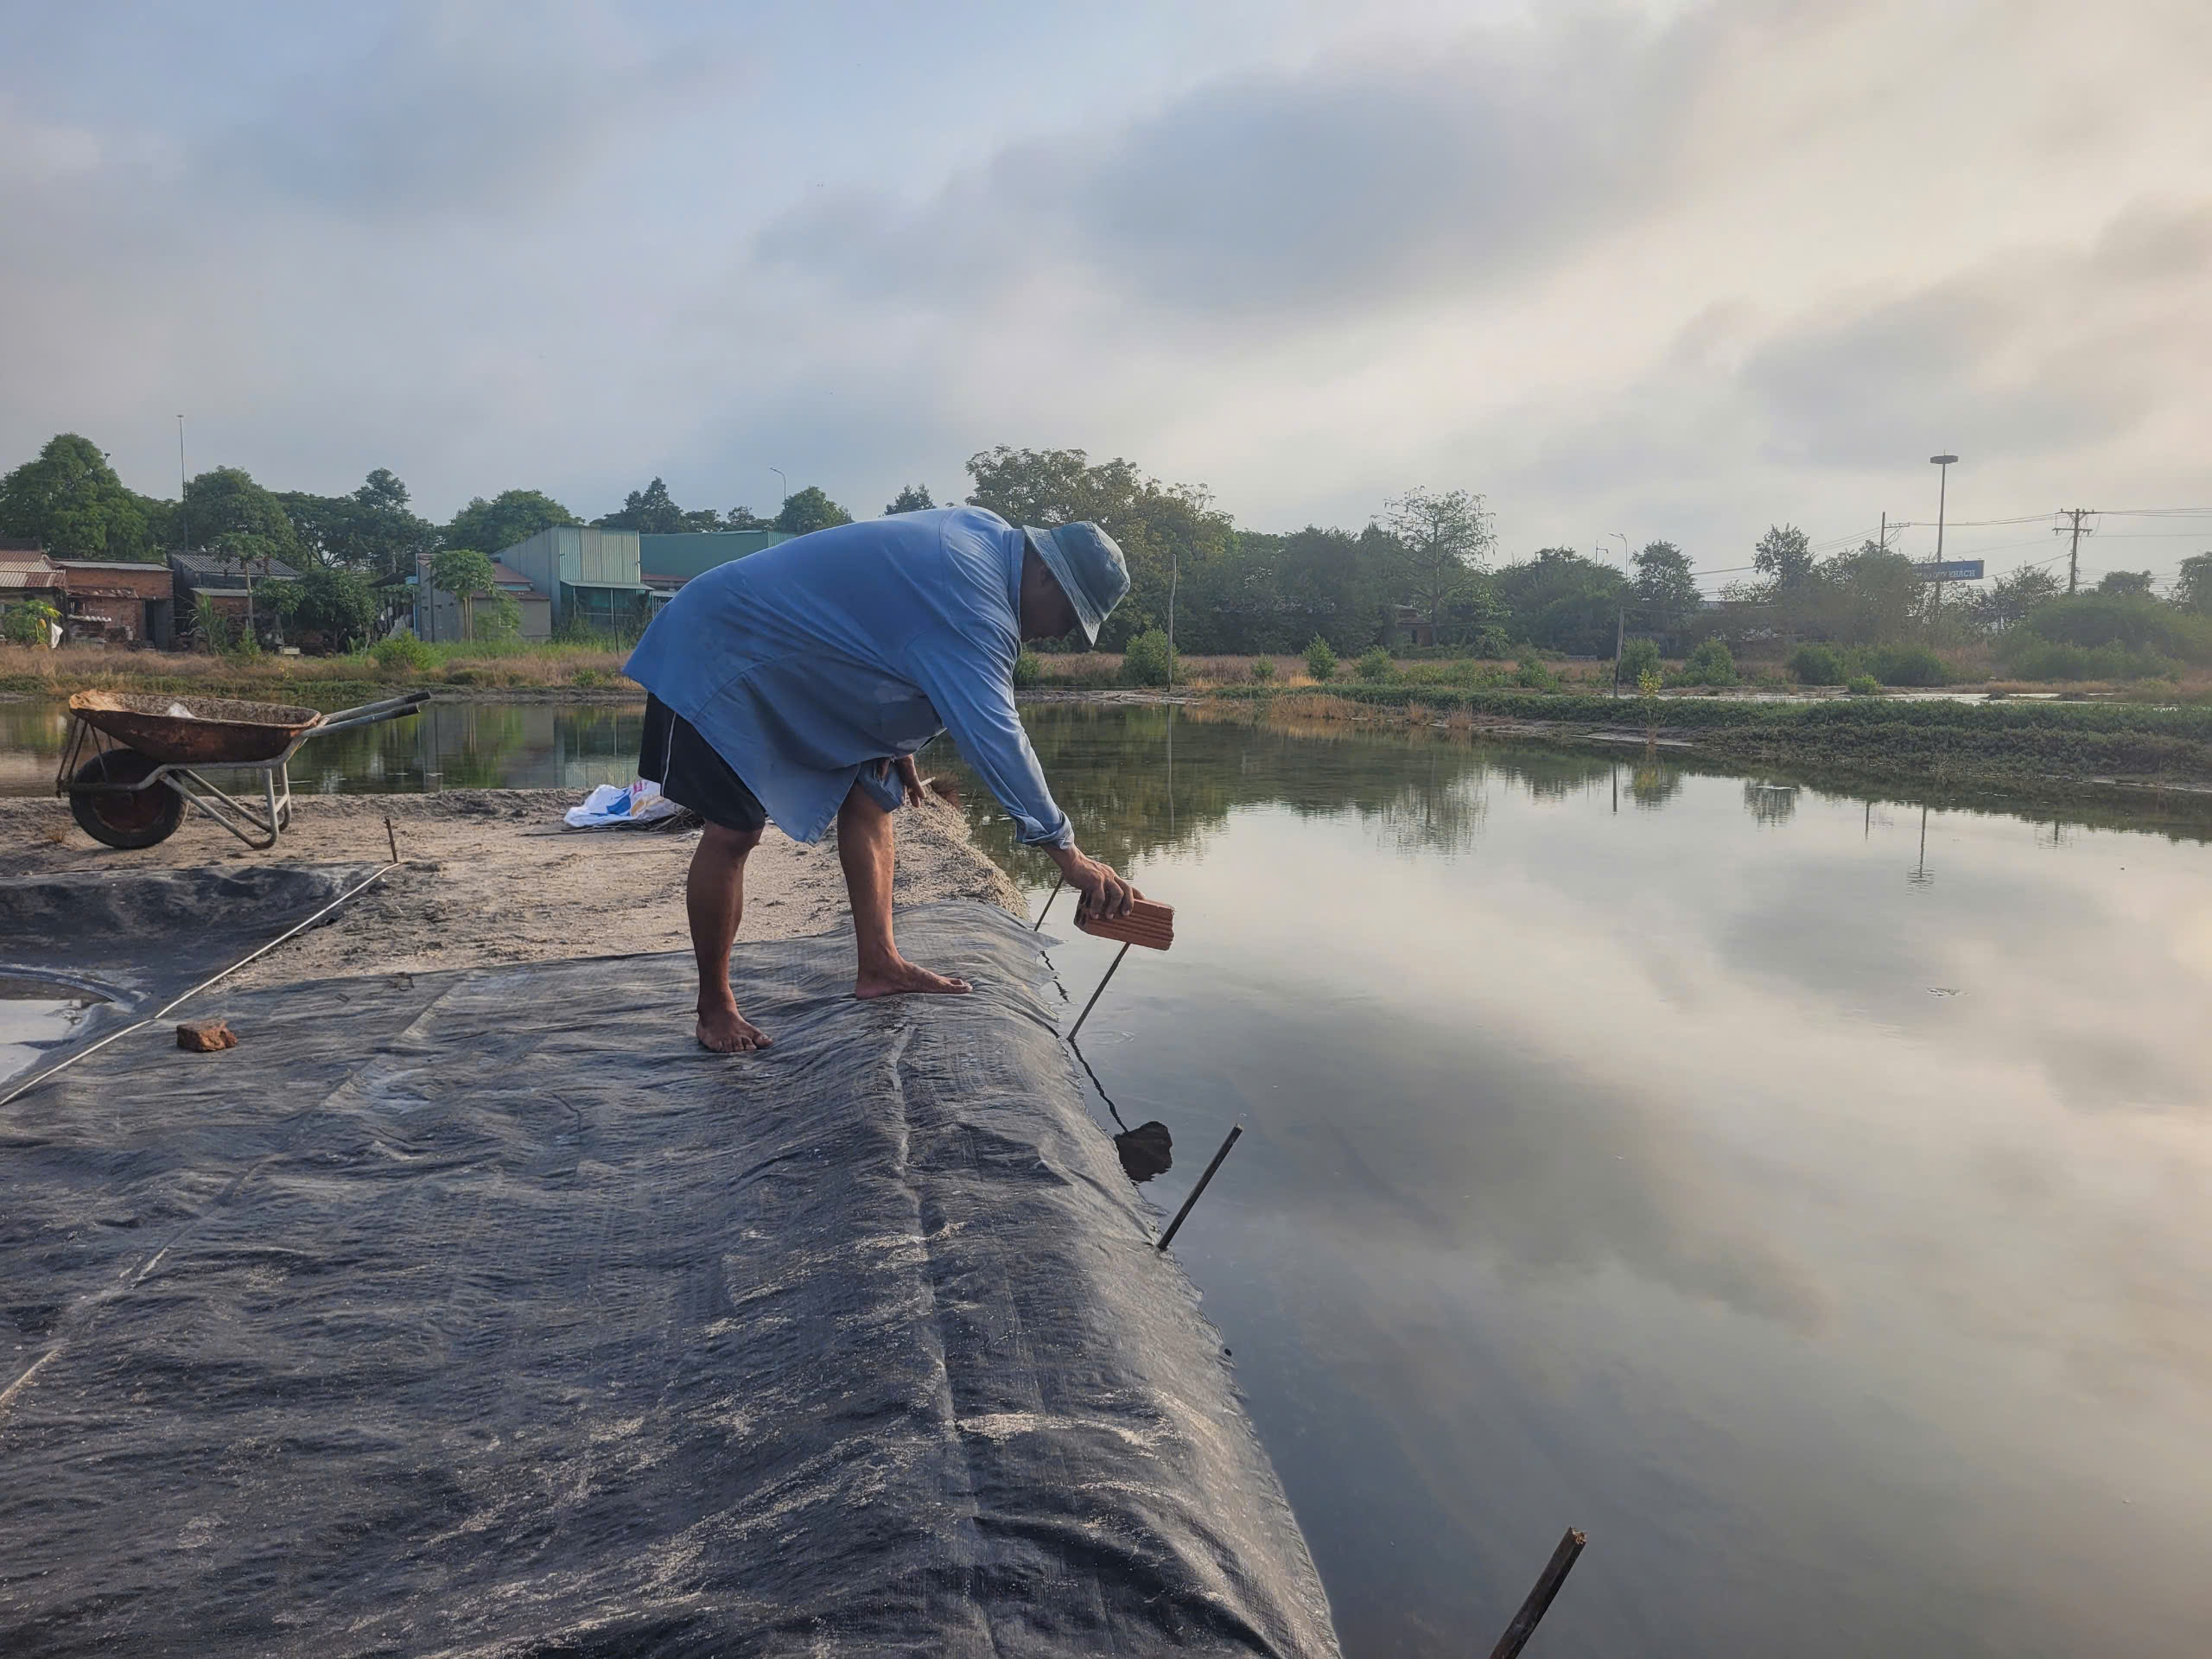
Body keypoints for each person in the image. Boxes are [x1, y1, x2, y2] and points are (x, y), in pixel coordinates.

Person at [624, 504, 1141, 1052]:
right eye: (1065, 616)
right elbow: (996, 739)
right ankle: (715, 1009)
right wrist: (1070, 855)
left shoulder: (984, 532)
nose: (1056, 634)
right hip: (717, 648)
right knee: (734, 832)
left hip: (798, 666)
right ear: (1043, 573)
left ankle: (879, 964)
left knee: (874, 795)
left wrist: (896, 738)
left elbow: (884, 620)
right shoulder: (976, 602)